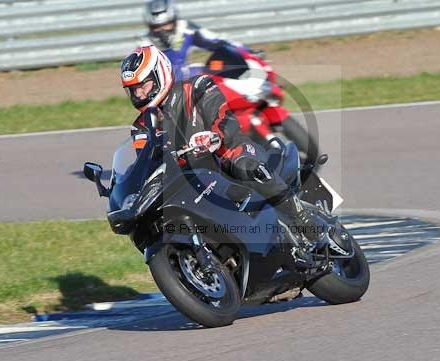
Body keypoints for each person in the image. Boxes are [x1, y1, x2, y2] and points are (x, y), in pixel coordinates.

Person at [119, 45, 324, 255]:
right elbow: (147, 161)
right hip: (191, 179)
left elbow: (222, 116)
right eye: (133, 90)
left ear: (160, 74)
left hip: (225, 152)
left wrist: (213, 135)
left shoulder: (196, 87)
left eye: (144, 85)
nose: (139, 93)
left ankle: (303, 220)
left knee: (243, 164)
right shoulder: (141, 128)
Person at [139, 0, 245, 82]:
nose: (162, 29)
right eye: (156, 27)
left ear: (174, 20)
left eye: (166, 24)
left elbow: (217, 40)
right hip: (169, 94)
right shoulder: (145, 45)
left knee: (219, 64)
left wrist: (245, 51)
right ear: (150, 26)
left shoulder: (185, 29)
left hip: (195, 84)